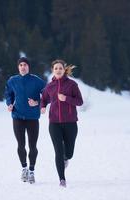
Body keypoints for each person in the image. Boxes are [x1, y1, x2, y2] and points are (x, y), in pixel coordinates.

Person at [40, 59, 83, 187]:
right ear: (52, 70)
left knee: (69, 153)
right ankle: (62, 179)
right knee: (58, 151)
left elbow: (80, 101)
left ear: (64, 70)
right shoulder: (49, 86)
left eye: (60, 68)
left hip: (70, 122)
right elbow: (44, 100)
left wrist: (66, 99)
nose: (58, 70)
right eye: (56, 68)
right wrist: (42, 107)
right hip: (54, 123)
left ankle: (66, 158)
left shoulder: (72, 85)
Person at [5, 57, 46, 184]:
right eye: (21, 65)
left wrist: (38, 102)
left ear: (29, 67)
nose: (23, 67)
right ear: (18, 67)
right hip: (17, 117)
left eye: (25, 65)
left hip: (32, 118)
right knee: (21, 145)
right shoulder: (12, 80)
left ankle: (32, 171)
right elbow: (8, 94)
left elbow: (47, 94)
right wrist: (9, 104)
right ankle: (24, 168)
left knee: (33, 146)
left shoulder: (37, 81)